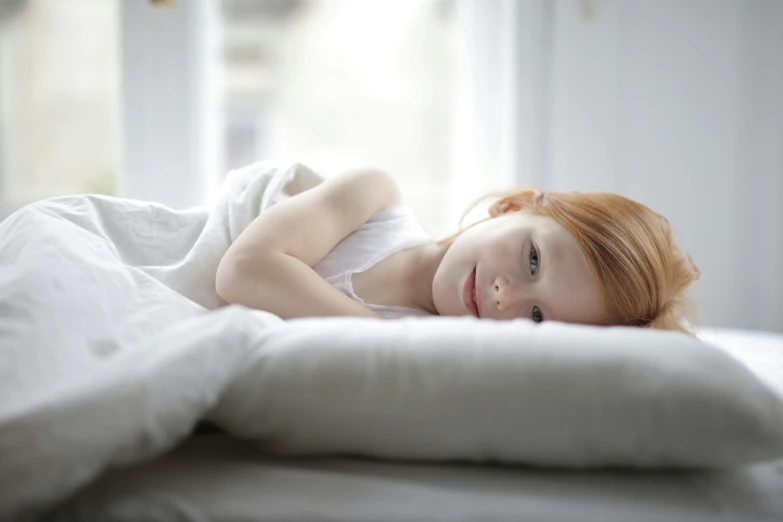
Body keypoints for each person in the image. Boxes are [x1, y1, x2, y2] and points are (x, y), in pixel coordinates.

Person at [215, 164, 700, 332]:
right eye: (533, 259)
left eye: (536, 318)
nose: (503, 296)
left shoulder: (439, 356)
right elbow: (244, 269)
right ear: (512, 207)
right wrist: (383, 339)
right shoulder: (374, 199)